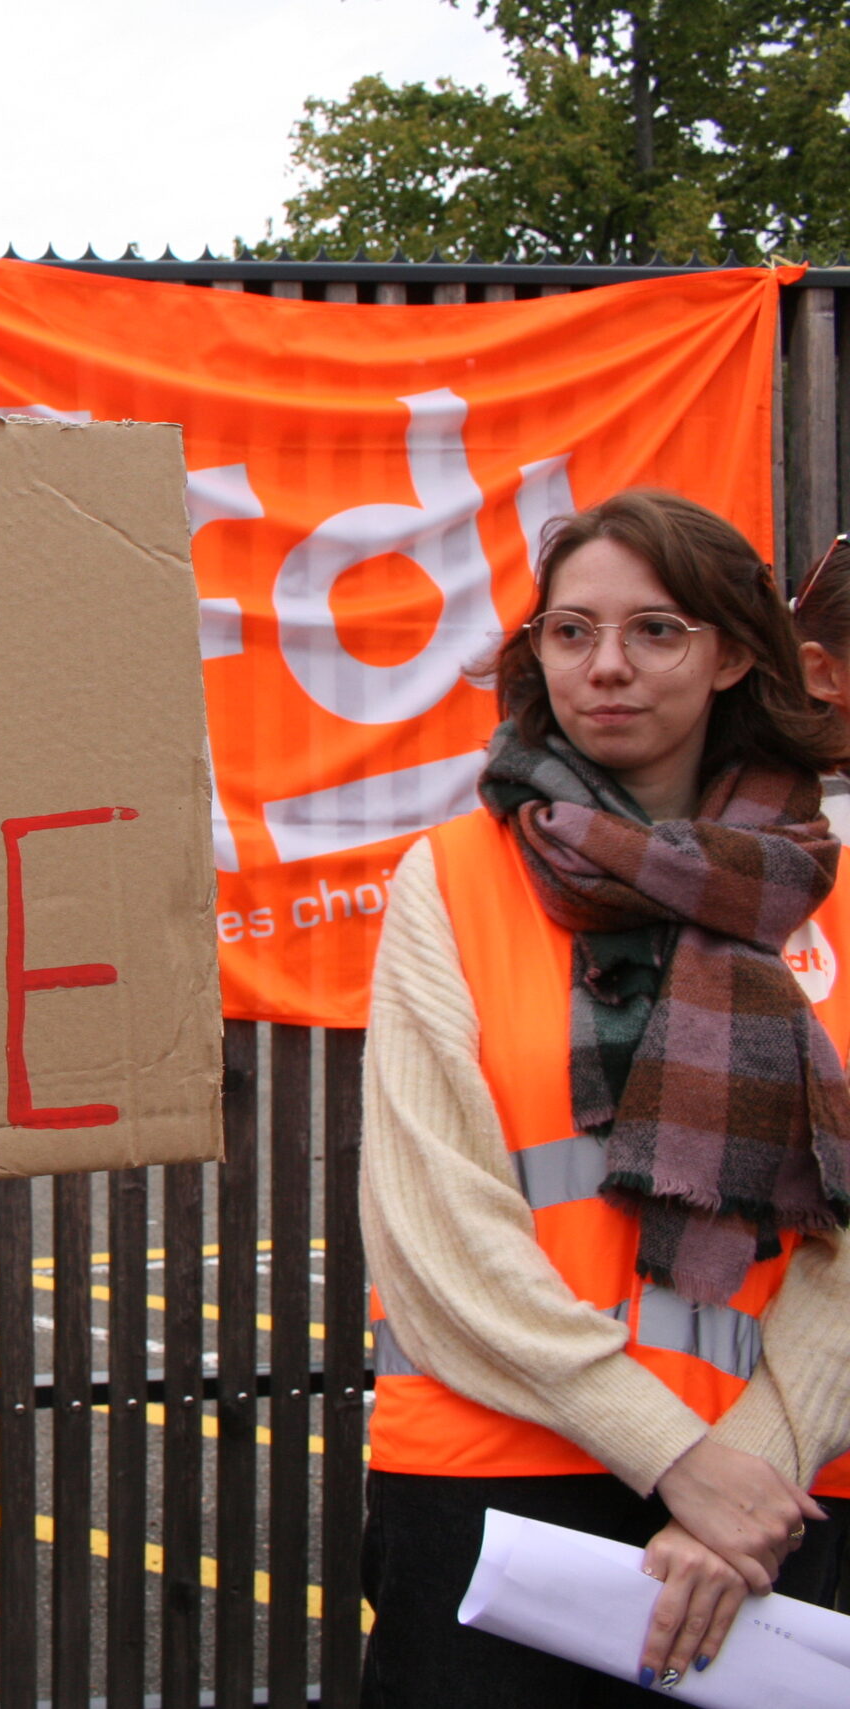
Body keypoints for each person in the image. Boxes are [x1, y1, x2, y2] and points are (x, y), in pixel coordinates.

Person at [359, 489, 850, 1705]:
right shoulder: (454, 879)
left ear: (733, 651)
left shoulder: (825, 892)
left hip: (772, 1493)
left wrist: (748, 1467)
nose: (607, 667)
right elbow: (439, 1231)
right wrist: (674, 1454)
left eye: (656, 630)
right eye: (570, 632)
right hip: (498, 1473)